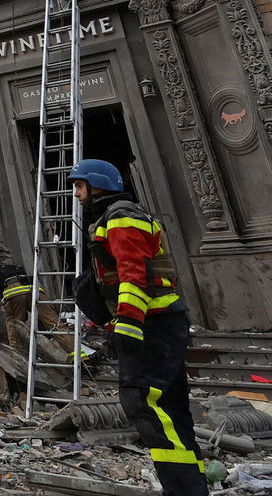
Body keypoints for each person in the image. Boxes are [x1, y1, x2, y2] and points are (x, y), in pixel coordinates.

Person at [69, 159, 207, 496]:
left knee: (140, 400)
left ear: (96, 184)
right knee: (170, 408)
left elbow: (134, 272)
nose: (76, 194)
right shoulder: (114, 217)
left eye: (79, 186)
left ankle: (183, 489)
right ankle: (190, 486)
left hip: (153, 322)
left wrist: (128, 322)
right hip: (160, 321)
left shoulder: (121, 216)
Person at [0, 264, 75, 356]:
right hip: (37, 291)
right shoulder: (17, 269)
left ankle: (20, 360)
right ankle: (78, 356)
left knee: (16, 328)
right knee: (55, 324)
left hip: (15, 294)